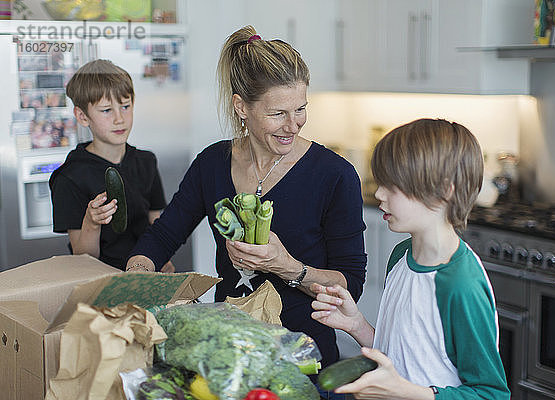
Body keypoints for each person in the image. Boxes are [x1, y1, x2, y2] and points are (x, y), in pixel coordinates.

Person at [127, 25, 367, 374]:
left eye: (300, 109)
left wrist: (285, 266)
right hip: (228, 356)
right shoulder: (212, 164)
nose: (293, 125)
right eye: (278, 114)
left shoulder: (334, 175)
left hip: (304, 363)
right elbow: (163, 236)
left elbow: (351, 285)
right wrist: (138, 274)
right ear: (242, 107)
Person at [311, 119, 510, 399]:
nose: (379, 193)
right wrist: (356, 324)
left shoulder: (460, 283)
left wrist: (408, 393)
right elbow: (405, 355)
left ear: (444, 189)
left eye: (393, 186)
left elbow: (491, 393)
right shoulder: (401, 256)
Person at [49, 59, 174, 272]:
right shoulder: (69, 177)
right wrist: (92, 221)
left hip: (148, 274)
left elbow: (155, 222)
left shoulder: (146, 162)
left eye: (125, 106)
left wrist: (163, 258)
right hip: (101, 282)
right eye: (106, 110)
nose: (119, 119)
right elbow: (84, 258)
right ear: (82, 116)